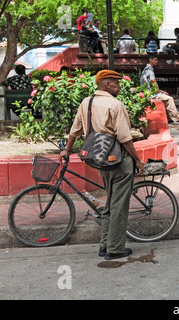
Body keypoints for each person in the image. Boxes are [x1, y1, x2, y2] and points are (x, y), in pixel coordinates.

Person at [60, 70, 145, 260]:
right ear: (107, 84)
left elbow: (75, 130)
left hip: (99, 160)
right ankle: (114, 249)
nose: (119, 86)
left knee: (109, 203)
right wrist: (137, 160)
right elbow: (124, 138)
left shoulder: (86, 103)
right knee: (119, 206)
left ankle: (104, 245)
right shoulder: (116, 105)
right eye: (116, 83)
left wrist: (67, 150)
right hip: (119, 161)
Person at [140, 54, 179, 123]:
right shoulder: (149, 69)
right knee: (170, 99)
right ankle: (177, 117)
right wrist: (157, 91)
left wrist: (161, 91)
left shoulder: (145, 69)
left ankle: (169, 118)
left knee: (165, 96)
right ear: (150, 60)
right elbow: (152, 81)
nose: (157, 61)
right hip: (150, 94)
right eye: (155, 60)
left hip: (148, 92)